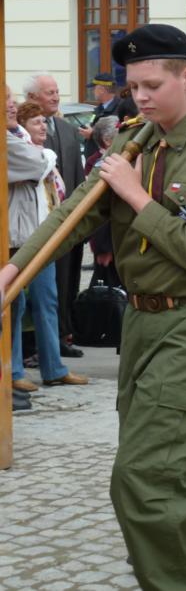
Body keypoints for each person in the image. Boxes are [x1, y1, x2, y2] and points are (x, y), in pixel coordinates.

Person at [0, 24, 186, 591]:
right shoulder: (131, 140)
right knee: (167, 479)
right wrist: (12, 272)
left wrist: (136, 195)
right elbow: (72, 217)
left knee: (148, 477)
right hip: (139, 327)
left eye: (152, 85)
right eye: (132, 87)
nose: (140, 97)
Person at [7, 93, 87, 392]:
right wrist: (45, 157)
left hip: (41, 234)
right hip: (16, 236)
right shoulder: (12, 143)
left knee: (48, 300)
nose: (43, 127)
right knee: (15, 303)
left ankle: (53, 367)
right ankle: (14, 371)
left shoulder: (23, 141)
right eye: (36, 122)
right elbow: (36, 164)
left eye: (44, 122)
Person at [23, 71, 85, 357]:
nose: (56, 97)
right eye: (50, 92)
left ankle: (62, 335)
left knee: (66, 279)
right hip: (38, 223)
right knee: (40, 288)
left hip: (69, 221)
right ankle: (36, 344)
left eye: (57, 91)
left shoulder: (67, 129)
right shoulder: (22, 132)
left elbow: (78, 178)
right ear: (32, 96)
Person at [84, 116, 124, 289]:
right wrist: (103, 247)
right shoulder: (97, 163)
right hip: (109, 242)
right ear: (108, 140)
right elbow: (98, 206)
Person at [80, 72, 122, 158]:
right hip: (94, 159)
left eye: (94, 88)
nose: (93, 91)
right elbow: (92, 125)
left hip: (109, 159)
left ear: (102, 90)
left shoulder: (121, 108)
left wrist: (93, 134)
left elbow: (118, 135)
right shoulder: (98, 109)